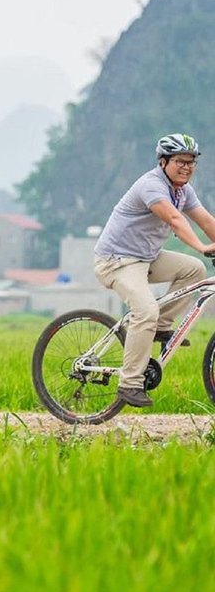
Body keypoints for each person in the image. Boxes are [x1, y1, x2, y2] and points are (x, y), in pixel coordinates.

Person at [94, 133, 215, 408]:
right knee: (145, 310)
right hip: (117, 261)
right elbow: (174, 219)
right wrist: (202, 246)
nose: (187, 167)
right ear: (163, 162)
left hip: (145, 258)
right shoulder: (151, 186)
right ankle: (130, 383)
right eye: (180, 162)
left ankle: (160, 328)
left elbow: (206, 220)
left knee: (193, 270)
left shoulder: (183, 190)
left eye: (191, 162)